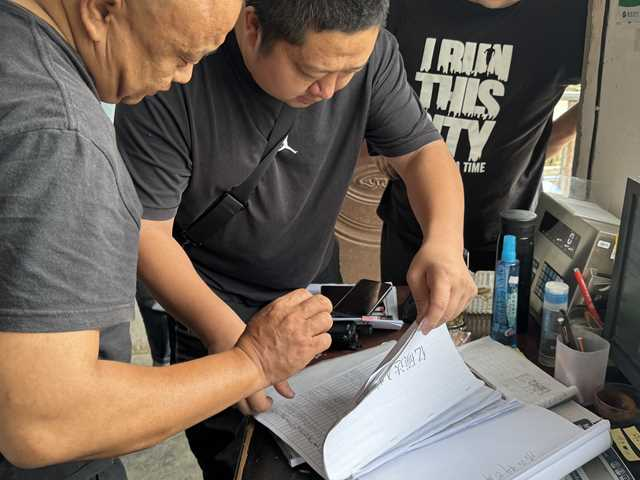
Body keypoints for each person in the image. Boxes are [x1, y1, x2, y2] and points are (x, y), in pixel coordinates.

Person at [114, 0, 478, 477]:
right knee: (249, 460)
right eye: (313, 72)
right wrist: (240, 350)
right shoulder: (173, 71)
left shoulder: (366, 53)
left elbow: (422, 152)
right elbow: (148, 234)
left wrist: (444, 243)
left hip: (315, 292)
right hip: (211, 303)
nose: (331, 91)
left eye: (350, 72)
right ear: (251, 26)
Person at [0, 1, 334, 479]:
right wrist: (254, 362)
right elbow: (46, 421)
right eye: (180, 55)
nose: (184, 77)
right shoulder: (62, 139)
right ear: (100, 10)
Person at [377, 0, 587, 277]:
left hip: (506, 238)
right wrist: (386, 140)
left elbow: (613, 84)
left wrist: (545, 141)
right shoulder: (402, 7)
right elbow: (370, 75)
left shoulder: (568, 17)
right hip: (410, 229)